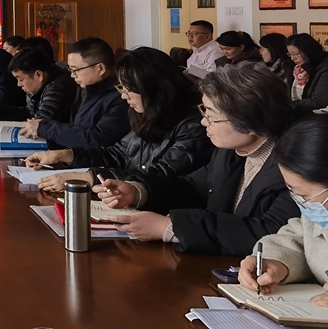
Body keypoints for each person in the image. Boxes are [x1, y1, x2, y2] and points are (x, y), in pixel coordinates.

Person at [94, 64, 297, 256]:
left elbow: (271, 232)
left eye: (211, 116)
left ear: (250, 122)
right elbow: (193, 187)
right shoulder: (232, 151)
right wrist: (139, 192)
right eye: (204, 111)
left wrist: (170, 228)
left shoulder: (295, 165)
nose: (203, 122)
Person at [26, 47, 212, 192]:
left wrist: (89, 177)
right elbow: (118, 154)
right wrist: (66, 155)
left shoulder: (194, 126)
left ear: (154, 87)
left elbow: (159, 176)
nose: (124, 96)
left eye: (129, 89)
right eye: (121, 88)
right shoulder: (146, 113)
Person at [237, 116, 328, 306]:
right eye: (292, 191)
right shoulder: (318, 214)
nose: (300, 201)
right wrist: (277, 262)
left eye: (303, 194)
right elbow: (300, 239)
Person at [18, 37, 130, 149]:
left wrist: (47, 128)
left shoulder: (121, 97)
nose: (72, 75)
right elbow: (76, 129)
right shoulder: (86, 89)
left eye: (76, 70)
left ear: (100, 68)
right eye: (70, 70)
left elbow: (98, 139)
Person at [0, 47, 76, 125]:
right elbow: (29, 113)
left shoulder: (59, 87)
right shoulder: (45, 83)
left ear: (38, 75)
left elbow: (40, 125)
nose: (18, 84)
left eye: (21, 79)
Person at [287, 33, 328, 113]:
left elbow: (319, 101)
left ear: (308, 51)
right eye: (290, 54)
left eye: (296, 54)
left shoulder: (324, 68)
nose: (292, 58)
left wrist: (289, 105)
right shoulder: (297, 67)